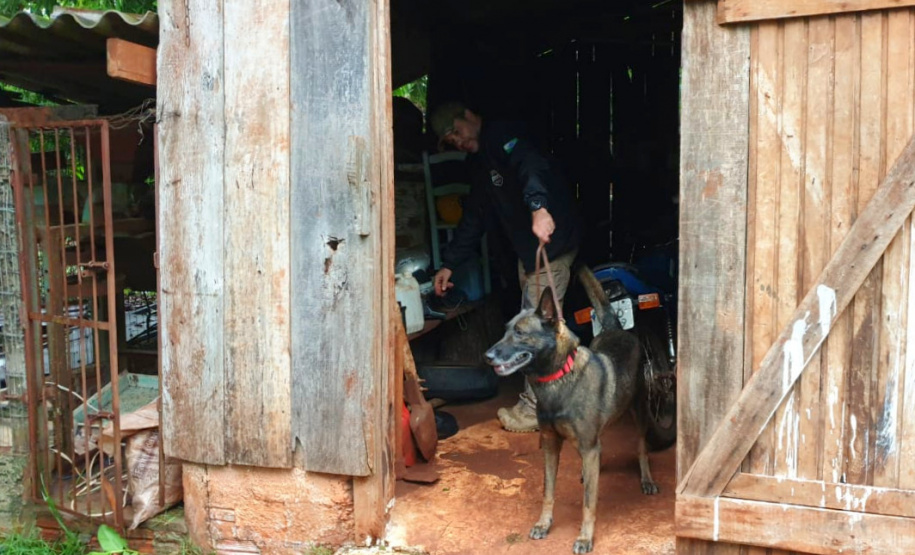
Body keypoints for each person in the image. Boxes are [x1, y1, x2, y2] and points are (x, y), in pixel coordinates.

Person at [429, 101, 581, 433]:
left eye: (456, 131)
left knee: (536, 333)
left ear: (469, 116)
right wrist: (449, 265)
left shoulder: (504, 134)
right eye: (449, 140)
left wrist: (539, 207)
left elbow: (531, 165)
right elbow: (474, 216)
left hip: (550, 247)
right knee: (536, 324)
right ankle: (554, 401)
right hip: (529, 254)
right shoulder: (482, 163)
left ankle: (534, 409)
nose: (456, 140)